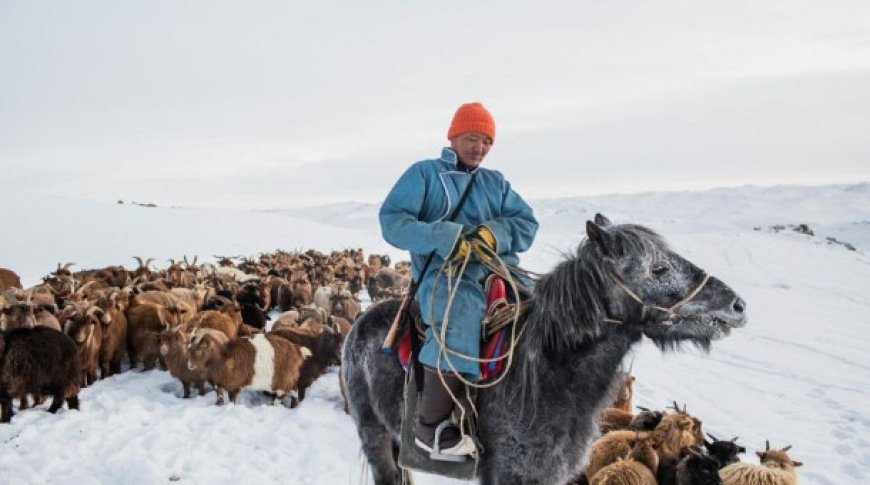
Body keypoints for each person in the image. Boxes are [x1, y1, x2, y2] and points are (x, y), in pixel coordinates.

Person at [379, 102, 539, 460]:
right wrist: (445, 236)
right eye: (471, 138)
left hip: (499, 270)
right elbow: (392, 221)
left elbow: (526, 223)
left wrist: (492, 235)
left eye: (486, 142)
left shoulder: (496, 183)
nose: (479, 148)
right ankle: (430, 427)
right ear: (453, 137)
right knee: (461, 312)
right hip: (445, 273)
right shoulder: (424, 175)